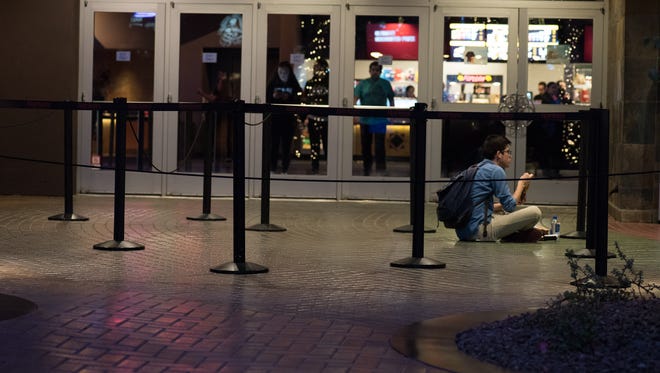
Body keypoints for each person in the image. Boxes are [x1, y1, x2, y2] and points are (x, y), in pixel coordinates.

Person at [456, 134, 545, 242]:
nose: (510, 156)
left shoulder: (477, 167)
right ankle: (512, 234)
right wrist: (521, 184)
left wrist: (515, 199)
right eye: (508, 152)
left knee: (503, 213)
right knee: (535, 212)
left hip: (463, 232)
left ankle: (512, 233)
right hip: (480, 232)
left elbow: (482, 206)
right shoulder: (496, 171)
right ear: (499, 154)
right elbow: (510, 206)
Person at [354, 61, 395, 176]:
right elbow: (355, 99)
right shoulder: (363, 84)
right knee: (365, 146)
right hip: (365, 119)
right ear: (369, 71)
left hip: (380, 120)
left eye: (377, 70)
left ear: (380, 72)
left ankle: (380, 168)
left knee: (379, 146)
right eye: (373, 70)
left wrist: (392, 114)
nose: (375, 72)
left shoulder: (385, 84)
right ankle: (366, 168)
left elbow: (391, 100)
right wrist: (354, 115)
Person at [266, 61, 302, 174]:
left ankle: (285, 167)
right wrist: (273, 97)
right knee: (274, 144)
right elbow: (266, 99)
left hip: (289, 120)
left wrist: (290, 97)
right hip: (275, 119)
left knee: (287, 145)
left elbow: (299, 98)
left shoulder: (293, 84)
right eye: (280, 72)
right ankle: (273, 167)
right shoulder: (272, 84)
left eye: (285, 72)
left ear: (289, 73)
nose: (282, 74)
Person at [302, 59, 329, 174]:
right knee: (314, 144)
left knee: (328, 144)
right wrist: (304, 117)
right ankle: (315, 166)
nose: (317, 70)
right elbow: (305, 100)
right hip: (313, 117)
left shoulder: (330, 83)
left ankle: (330, 166)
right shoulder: (310, 83)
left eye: (320, 68)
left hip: (327, 118)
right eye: (316, 68)